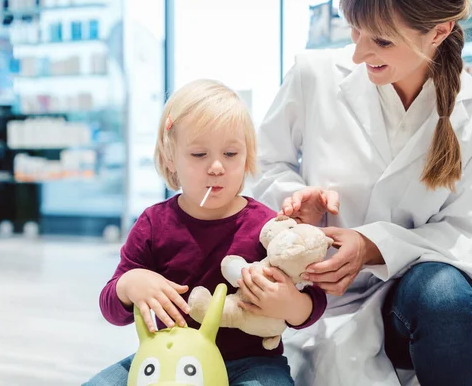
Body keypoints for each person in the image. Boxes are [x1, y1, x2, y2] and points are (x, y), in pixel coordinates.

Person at [253, 0, 472, 385]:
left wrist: (372, 246)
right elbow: (266, 163)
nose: (358, 54)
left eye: (382, 40)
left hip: (410, 302)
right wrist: (294, 203)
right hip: (312, 295)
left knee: (446, 296)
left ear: (439, 32)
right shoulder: (313, 74)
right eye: (355, 31)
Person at [84, 79, 327, 386]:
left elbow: (313, 300)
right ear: (171, 157)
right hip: (165, 360)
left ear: (247, 157)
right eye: (199, 154)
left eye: (230, 154)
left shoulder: (267, 226)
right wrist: (130, 284)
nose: (216, 167)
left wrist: (291, 303)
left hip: (249, 364)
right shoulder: (153, 224)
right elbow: (111, 309)